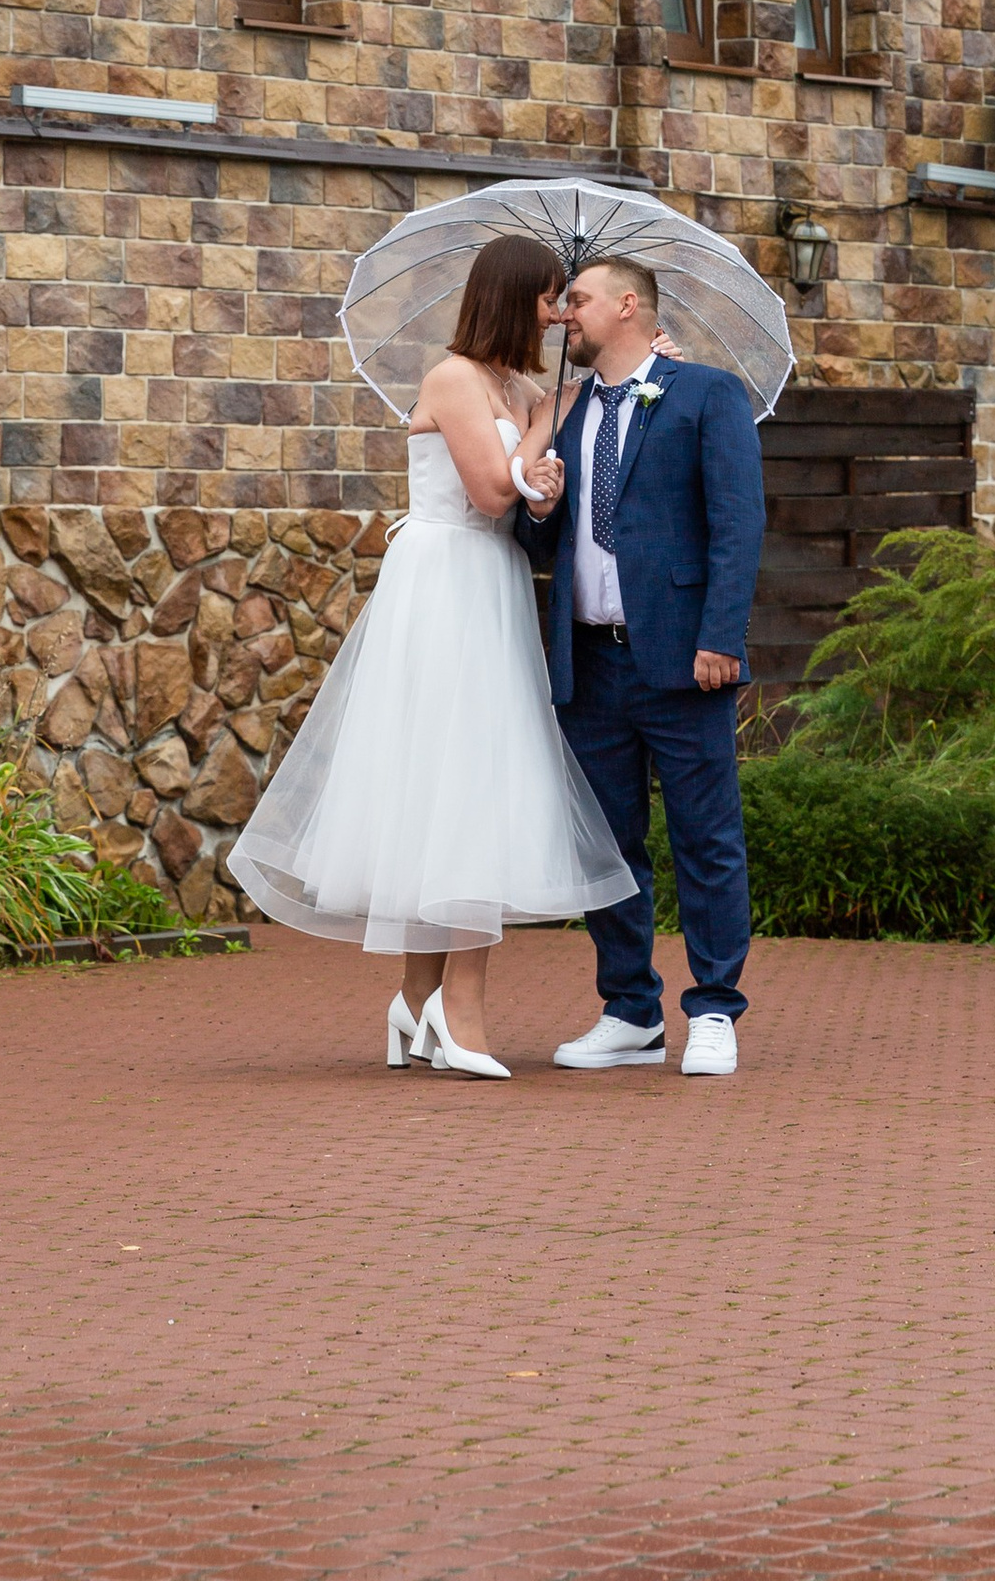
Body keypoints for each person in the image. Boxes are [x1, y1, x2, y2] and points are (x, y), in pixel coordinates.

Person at [225, 235, 633, 1078]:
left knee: (464, 785)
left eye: (567, 300)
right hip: (444, 582)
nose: (559, 314)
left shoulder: (520, 388)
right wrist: (543, 435)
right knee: (459, 784)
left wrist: (544, 472)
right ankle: (461, 1015)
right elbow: (489, 493)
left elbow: (524, 506)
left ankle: (415, 1007)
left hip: (492, 582)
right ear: (514, 296)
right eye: (551, 297)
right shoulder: (453, 378)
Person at [519, 251, 765, 1079]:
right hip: (591, 662)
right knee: (608, 846)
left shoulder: (704, 393)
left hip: (682, 659)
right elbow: (546, 541)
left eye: (578, 300)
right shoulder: (572, 411)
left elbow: (738, 525)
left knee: (706, 839)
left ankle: (715, 1009)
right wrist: (541, 504)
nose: (565, 316)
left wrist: (721, 637)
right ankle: (629, 1011)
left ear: (629, 305)